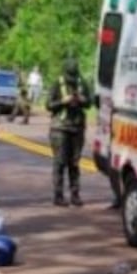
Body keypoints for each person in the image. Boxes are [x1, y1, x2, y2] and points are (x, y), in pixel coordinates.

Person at [47, 57, 91, 206]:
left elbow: (89, 103)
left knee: (74, 163)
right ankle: (58, 195)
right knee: (60, 162)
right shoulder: (57, 83)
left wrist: (81, 99)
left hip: (77, 128)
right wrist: (63, 101)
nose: (72, 79)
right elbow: (49, 105)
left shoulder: (82, 82)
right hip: (60, 128)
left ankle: (75, 195)